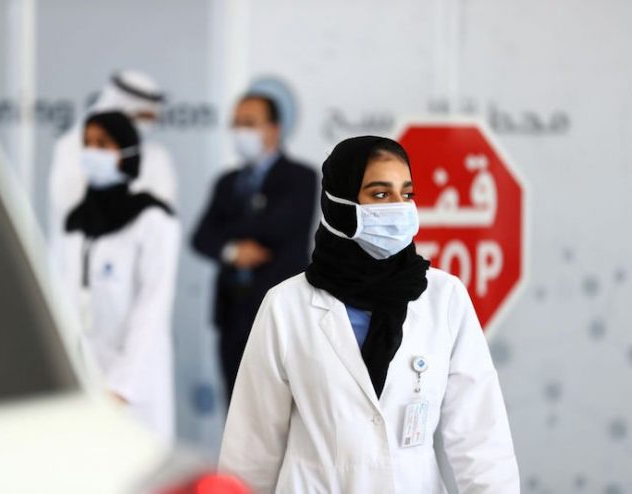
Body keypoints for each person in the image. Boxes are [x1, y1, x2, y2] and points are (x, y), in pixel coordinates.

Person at [218, 136, 520, 492]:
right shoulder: (286, 306)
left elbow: (481, 443)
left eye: (406, 194)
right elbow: (250, 452)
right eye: (380, 194)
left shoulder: (445, 298)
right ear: (340, 204)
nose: (399, 208)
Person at [57, 111, 179, 443]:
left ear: (126, 152)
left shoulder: (153, 219)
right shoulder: (76, 222)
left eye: (103, 144)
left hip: (133, 384)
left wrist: (122, 385)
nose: (91, 152)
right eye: (87, 144)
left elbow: (152, 307)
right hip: (83, 375)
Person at [191, 93, 317, 403]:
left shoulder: (301, 177)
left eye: (249, 123)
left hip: (281, 313)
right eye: (236, 123)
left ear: (274, 129)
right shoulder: (226, 182)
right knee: (235, 409)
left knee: (281, 409)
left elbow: (278, 226)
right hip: (231, 315)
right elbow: (202, 236)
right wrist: (232, 251)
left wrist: (228, 230)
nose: (240, 131)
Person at [48, 70, 176, 257]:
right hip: (76, 255)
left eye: (151, 118)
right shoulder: (70, 148)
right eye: (142, 116)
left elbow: (160, 217)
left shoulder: (157, 157)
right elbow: (69, 206)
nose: (146, 124)